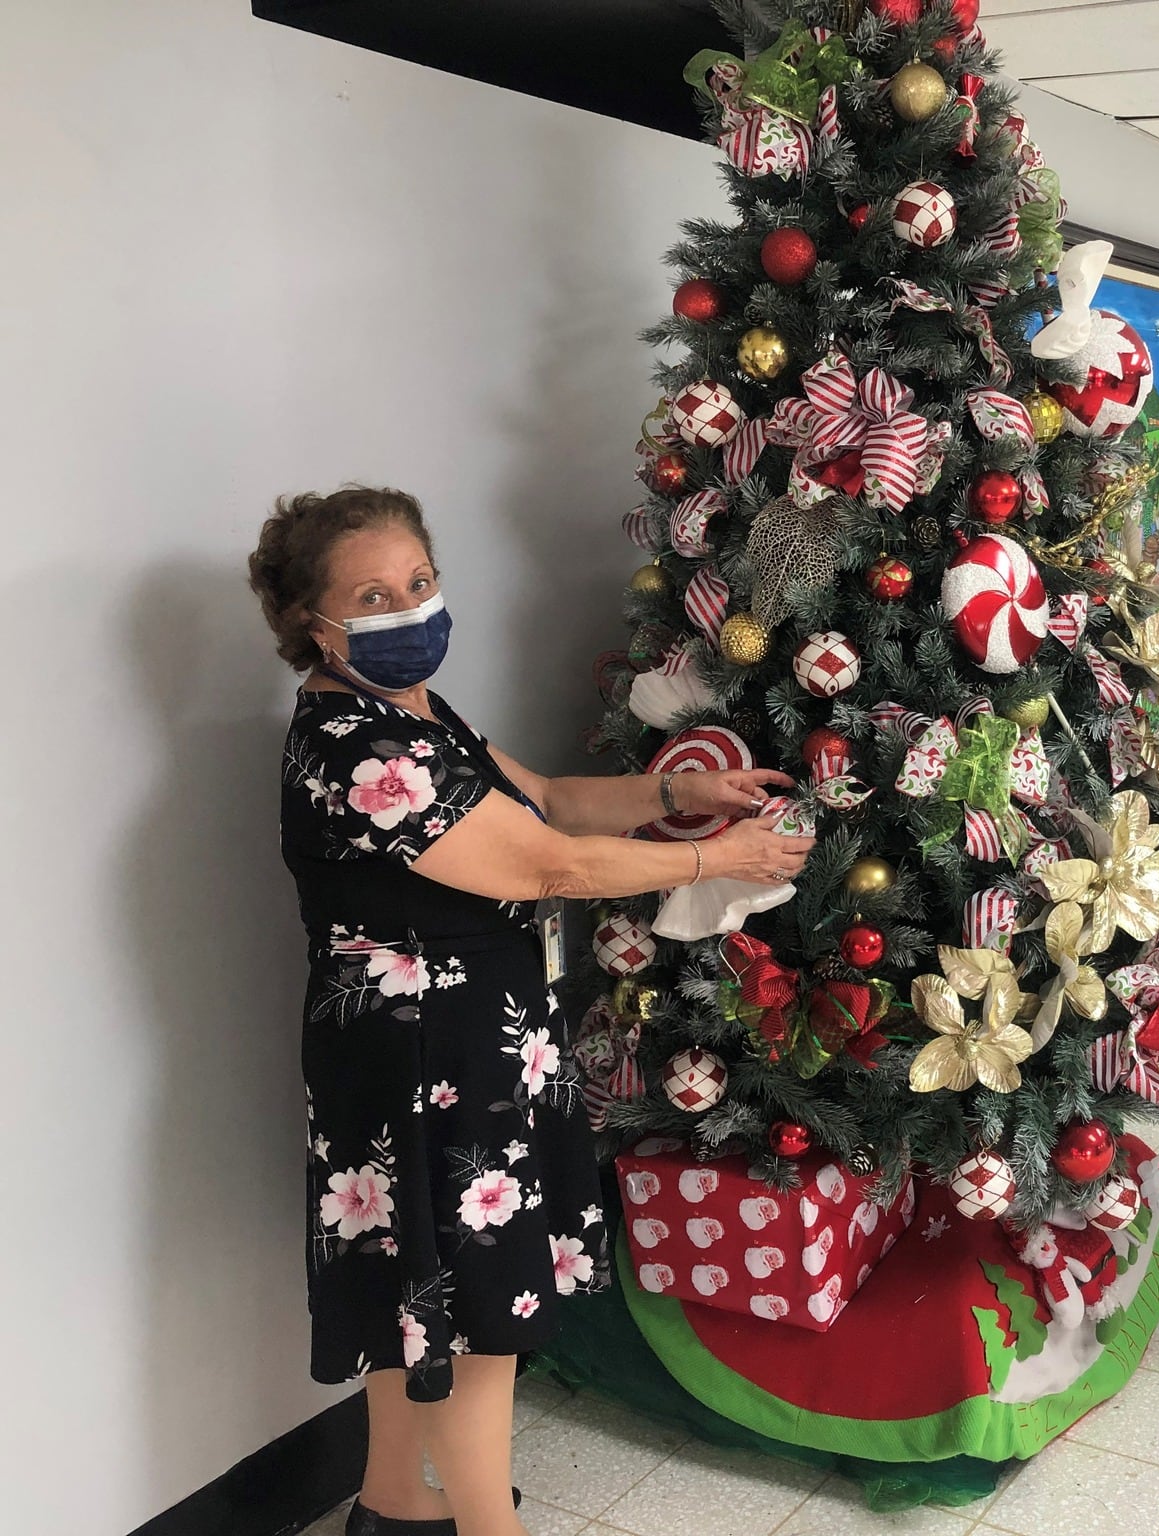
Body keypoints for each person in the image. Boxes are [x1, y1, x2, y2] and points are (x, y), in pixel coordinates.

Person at [248, 487, 812, 1536]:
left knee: (418, 1291)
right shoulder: (356, 747)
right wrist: (711, 859)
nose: (410, 608)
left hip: (461, 1043)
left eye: (418, 581)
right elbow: (547, 864)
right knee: (474, 1307)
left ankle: (390, 1506)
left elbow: (548, 800)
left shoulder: (410, 715)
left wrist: (678, 801)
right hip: (423, 1058)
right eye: (373, 595)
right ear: (309, 625)